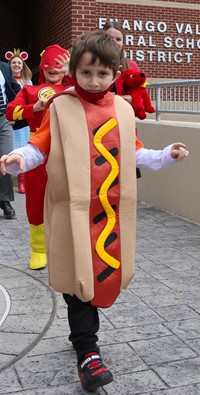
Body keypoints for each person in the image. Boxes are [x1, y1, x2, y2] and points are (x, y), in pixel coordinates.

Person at [0, 30, 189, 392]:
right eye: (86, 72)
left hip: (110, 216)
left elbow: (135, 152)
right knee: (77, 283)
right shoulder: (60, 105)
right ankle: (88, 351)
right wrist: (17, 159)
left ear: (115, 73)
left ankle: (83, 340)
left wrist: (167, 155)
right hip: (73, 215)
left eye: (103, 73)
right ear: (74, 71)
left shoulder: (121, 108)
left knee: (100, 276)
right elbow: (40, 146)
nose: (94, 80)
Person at [5, 44, 70, 269]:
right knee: (35, 198)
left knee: (69, 198)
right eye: (49, 65)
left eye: (59, 65)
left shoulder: (76, 89)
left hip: (68, 149)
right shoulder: (30, 90)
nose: (54, 69)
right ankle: (39, 248)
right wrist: (34, 107)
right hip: (37, 150)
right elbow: (10, 111)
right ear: (42, 67)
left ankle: (64, 247)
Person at [103, 20, 142, 179]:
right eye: (109, 38)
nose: (114, 42)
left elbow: (139, 98)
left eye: (118, 39)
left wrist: (123, 99)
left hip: (124, 128)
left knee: (125, 180)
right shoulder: (93, 64)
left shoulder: (130, 66)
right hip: (98, 128)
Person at [5, 49, 33, 193]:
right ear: (9, 65)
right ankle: (7, 182)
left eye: (19, 63)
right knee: (9, 149)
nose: (16, 65)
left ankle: (22, 181)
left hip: (23, 122)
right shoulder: (5, 82)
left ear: (23, 66)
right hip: (10, 120)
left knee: (23, 149)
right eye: (13, 63)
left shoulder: (28, 82)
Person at [0, 59, 21, 219]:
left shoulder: (4, 67)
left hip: (3, 120)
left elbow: (15, 90)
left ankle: (5, 200)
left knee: (5, 158)